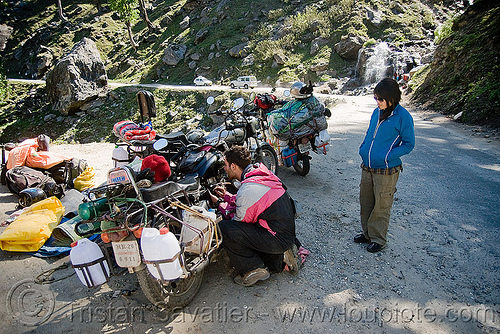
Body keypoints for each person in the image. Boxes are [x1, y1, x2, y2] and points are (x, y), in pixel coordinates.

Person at [213, 146, 300, 286]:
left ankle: (252, 268)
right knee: (273, 264)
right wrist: (228, 197)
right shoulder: (259, 172)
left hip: (277, 238)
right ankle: (283, 254)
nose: (224, 168)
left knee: (225, 229)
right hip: (285, 233)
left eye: (226, 165)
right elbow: (254, 201)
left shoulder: (247, 189)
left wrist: (219, 206)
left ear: (234, 166)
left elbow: (239, 223)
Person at [356, 78, 415, 253]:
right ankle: (367, 234)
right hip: (367, 166)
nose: (378, 102)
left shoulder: (403, 117)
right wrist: (363, 148)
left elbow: (408, 144)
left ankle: (378, 239)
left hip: (387, 170)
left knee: (381, 205)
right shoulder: (376, 112)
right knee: (366, 202)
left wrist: (387, 156)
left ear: (392, 98)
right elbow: (370, 133)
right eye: (375, 98)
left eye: (380, 99)